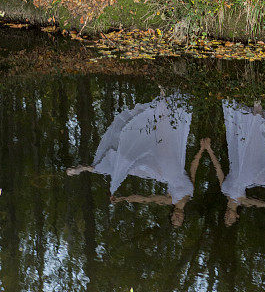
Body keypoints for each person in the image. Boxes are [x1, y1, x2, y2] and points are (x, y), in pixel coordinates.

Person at [66, 94, 203, 228]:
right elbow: (194, 168)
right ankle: (166, 97)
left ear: (171, 214)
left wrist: (123, 199)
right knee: (169, 132)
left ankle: (87, 168)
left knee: (135, 159)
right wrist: (203, 149)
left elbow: (145, 199)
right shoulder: (190, 195)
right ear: (183, 217)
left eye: (174, 219)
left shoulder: (170, 200)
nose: (177, 218)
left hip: (164, 168)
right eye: (179, 220)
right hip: (176, 161)